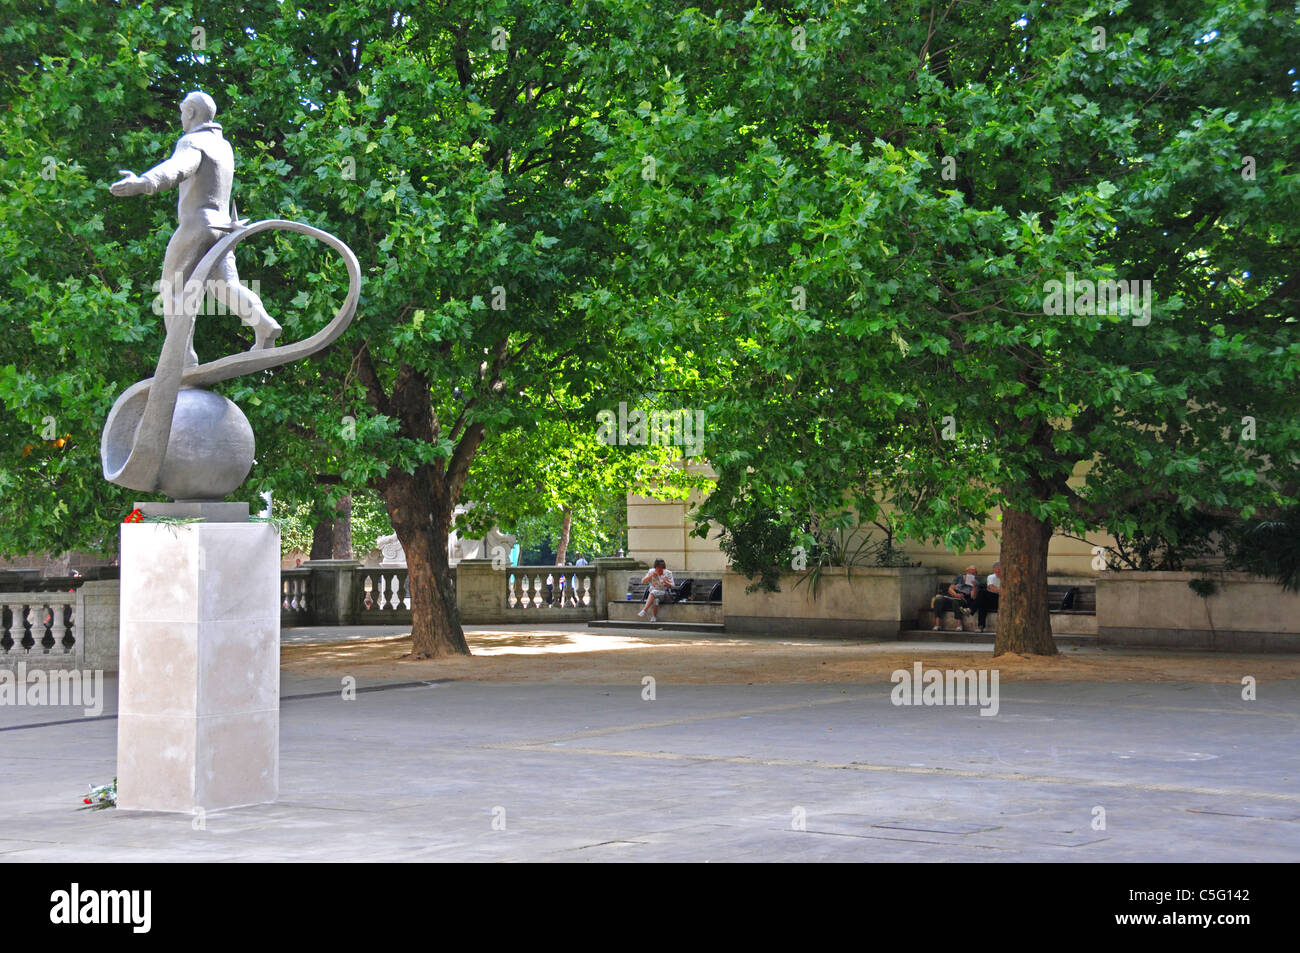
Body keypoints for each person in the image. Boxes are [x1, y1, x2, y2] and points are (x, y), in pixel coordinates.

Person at [109, 91, 281, 365]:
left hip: (197, 227)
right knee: (225, 287)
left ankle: (183, 358)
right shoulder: (223, 146)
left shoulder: (193, 141)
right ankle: (263, 325)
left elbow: (178, 168)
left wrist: (143, 182)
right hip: (223, 228)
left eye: (182, 112)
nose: (180, 118)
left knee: (173, 288)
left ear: (190, 113)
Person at [931, 564, 979, 630]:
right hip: (952, 595)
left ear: (976, 574)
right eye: (970, 572)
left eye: (973, 573)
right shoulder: (959, 577)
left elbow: (973, 597)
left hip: (963, 598)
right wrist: (955, 594)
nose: (971, 574)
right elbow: (950, 589)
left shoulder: (976, 583)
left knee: (956, 601)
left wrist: (974, 586)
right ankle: (937, 624)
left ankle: (959, 625)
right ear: (966, 572)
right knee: (938, 600)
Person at [977, 562, 1001, 632]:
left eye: (999, 571)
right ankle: (981, 626)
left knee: (982, 596)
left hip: (1002, 600)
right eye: (996, 571)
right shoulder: (991, 576)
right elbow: (991, 587)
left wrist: (996, 589)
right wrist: (999, 590)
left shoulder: (1007, 577)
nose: (997, 573)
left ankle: (971, 609)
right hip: (993, 598)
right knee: (982, 602)